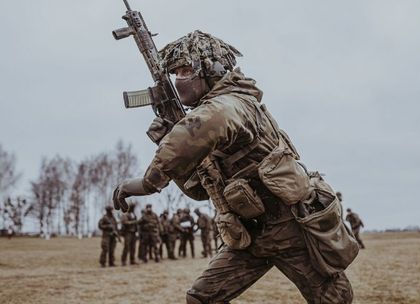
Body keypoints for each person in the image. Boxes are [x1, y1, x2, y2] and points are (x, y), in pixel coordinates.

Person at [112, 30, 353, 303]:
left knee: (333, 299)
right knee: (201, 298)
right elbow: (200, 190)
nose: (179, 79)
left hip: (289, 230)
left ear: (211, 69)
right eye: (175, 72)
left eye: (186, 70)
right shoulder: (211, 118)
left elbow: (198, 129)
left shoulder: (233, 104)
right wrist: (167, 139)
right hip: (249, 236)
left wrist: (146, 182)